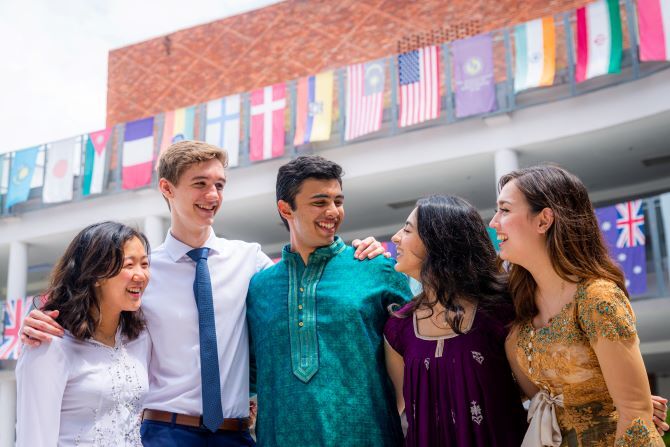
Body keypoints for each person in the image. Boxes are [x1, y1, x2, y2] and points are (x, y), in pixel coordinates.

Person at [21, 141, 385, 447]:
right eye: (200, 184)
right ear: (167, 189)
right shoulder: (142, 274)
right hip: (164, 431)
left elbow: (302, 275)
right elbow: (87, 303)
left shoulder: (251, 261)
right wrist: (37, 318)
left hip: (235, 432)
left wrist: (362, 250)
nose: (212, 195)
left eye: (220, 185)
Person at [490, 165, 665, 446]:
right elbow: (534, 395)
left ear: (543, 220)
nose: (494, 222)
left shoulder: (598, 299)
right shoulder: (519, 307)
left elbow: (635, 415)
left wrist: (632, 402)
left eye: (505, 210)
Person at [246, 155, 412, 446]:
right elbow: (249, 372)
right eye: (320, 202)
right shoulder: (259, 288)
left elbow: (416, 357)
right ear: (286, 209)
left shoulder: (376, 269)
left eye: (338, 201)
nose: (333, 211)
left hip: (367, 437)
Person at [383, 195, 528, 446]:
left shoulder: (501, 312)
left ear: (438, 240)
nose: (395, 238)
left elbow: (536, 392)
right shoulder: (398, 326)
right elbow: (393, 407)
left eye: (407, 230)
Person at [15, 221, 151, 446]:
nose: (141, 275)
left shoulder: (138, 338)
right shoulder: (49, 343)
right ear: (97, 273)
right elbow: (34, 437)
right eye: (129, 265)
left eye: (145, 264)